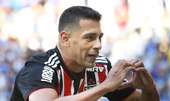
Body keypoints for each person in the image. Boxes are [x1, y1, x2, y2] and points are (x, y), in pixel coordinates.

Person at [10, 6, 159, 101]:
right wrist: (105, 87)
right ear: (65, 38)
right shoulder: (40, 67)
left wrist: (149, 88)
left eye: (99, 37)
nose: (99, 45)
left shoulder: (101, 67)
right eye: (89, 38)